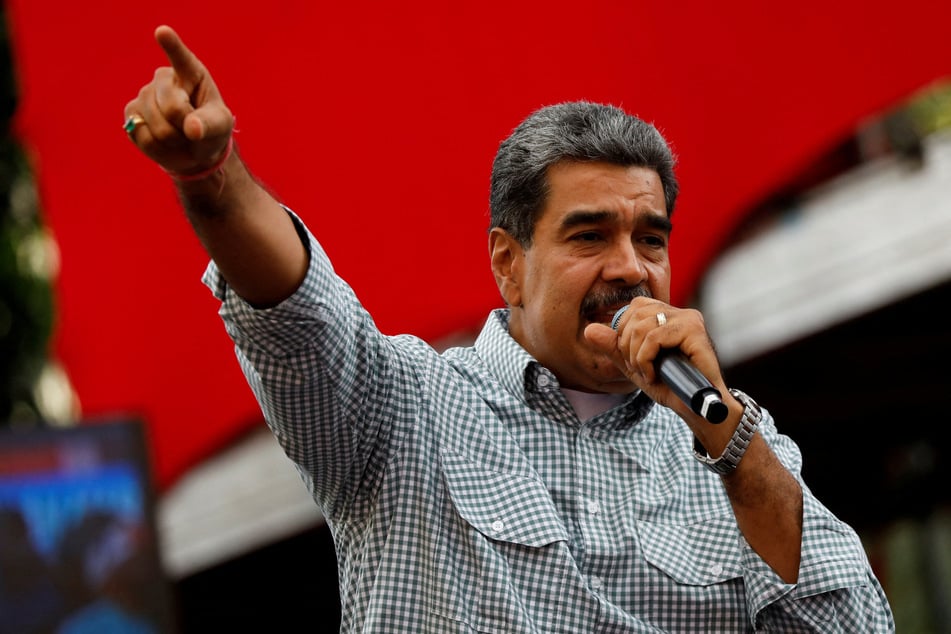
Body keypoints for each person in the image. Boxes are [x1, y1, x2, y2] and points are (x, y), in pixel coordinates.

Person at [124, 25, 894, 632]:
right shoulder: (399, 411)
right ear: (508, 263)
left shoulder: (735, 453)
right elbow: (295, 310)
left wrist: (730, 444)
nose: (630, 268)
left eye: (650, 238)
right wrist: (212, 177)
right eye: (589, 236)